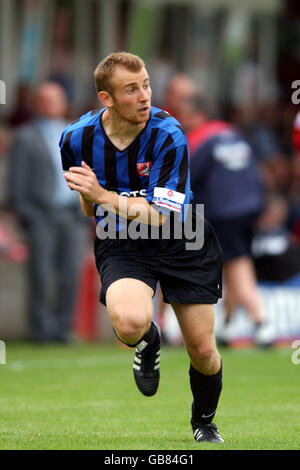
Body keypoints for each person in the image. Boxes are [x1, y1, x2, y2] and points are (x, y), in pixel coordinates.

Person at [61, 52, 224, 444]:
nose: (145, 95)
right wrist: (92, 197)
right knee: (130, 323)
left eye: (147, 85)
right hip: (122, 240)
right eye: (132, 89)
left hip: (182, 237)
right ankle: (149, 341)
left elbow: (161, 216)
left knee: (201, 349)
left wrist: (102, 194)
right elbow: (88, 205)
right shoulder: (75, 138)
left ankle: (203, 422)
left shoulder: (169, 134)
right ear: (107, 98)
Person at [180, 96, 266, 345]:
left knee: (237, 263)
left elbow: (187, 180)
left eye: (185, 114)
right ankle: (227, 325)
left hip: (224, 212)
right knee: (231, 263)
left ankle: (262, 321)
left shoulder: (199, 140)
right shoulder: (234, 134)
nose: (182, 121)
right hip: (250, 207)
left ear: (197, 114)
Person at [9, 82, 86, 343]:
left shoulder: (76, 134)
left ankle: (63, 330)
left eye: (55, 99)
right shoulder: (25, 136)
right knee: (40, 275)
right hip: (41, 215)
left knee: (70, 275)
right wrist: (27, 215)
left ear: (64, 102)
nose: (50, 104)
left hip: (72, 215)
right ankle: (40, 331)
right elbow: (16, 181)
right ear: (36, 104)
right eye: (44, 99)